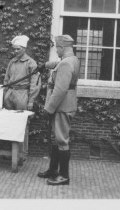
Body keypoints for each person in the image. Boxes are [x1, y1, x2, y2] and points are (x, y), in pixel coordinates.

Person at [37, 35, 80, 186]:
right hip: (65, 105)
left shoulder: (66, 64)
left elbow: (60, 90)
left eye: (57, 47)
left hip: (61, 107)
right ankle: (53, 170)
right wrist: (46, 64)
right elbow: (59, 64)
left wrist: (48, 108)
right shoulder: (71, 59)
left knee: (61, 140)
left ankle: (64, 176)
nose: (56, 50)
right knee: (57, 138)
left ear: (62, 48)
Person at [3, 35, 41, 111]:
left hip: (22, 95)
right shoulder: (12, 62)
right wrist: (5, 95)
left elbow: (35, 83)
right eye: (14, 49)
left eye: (18, 49)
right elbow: (6, 79)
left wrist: (31, 101)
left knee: (22, 118)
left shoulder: (31, 63)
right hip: (9, 94)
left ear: (24, 49)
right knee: (8, 119)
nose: (16, 51)